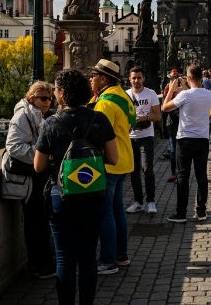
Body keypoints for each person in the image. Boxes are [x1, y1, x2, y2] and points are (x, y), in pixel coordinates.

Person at [34, 69, 119, 305]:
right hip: (93, 195)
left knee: (64, 259)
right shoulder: (99, 118)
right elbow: (113, 158)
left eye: (55, 89)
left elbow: (39, 166)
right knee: (88, 258)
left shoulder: (52, 122)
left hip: (61, 197)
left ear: (62, 93)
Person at [2, 80, 55, 279]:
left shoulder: (37, 114)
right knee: (35, 222)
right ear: (32, 98)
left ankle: (38, 262)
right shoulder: (22, 116)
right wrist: (40, 156)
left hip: (36, 176)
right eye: (43, 98)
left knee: (39, 221)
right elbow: (13, 147)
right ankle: (41, 265)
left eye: (49, 98)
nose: (48, 102)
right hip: (28, 178)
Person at [89, 59, 135, 274]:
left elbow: (99, 133)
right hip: (124, 158)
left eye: (94, 76)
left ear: (104, 79)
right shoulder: (122, 95)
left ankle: (108, 261)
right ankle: (121, 255)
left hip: (109, 162)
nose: (91, 79)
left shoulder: (106, 102)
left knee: (106, 212)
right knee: (117, 210)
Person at [162, 64, 211, 223]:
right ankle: (201, 211)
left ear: (189, 78)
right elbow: (192, 95)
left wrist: (171, 89)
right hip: (203, 139)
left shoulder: (185, 96)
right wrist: (185, 86)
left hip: (185, 139)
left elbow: (165, 108)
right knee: (201, 175)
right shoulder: (209, 94)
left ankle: (181, 213)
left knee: (183, 176)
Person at [125, 67, 162, 214]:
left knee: (147, 169)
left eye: (139, 77)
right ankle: (138, 201)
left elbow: (158, 116)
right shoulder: (125, 95)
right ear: (129, 79)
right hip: (130, 137)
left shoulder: (150, 93)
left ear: (143, 78)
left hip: (146, 136)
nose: (136, 80)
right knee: (133, 172)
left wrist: (145, 118)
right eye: (134, 78)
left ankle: (151, 202)